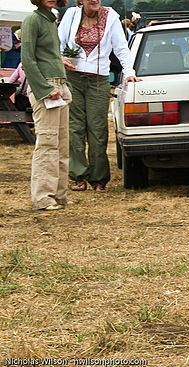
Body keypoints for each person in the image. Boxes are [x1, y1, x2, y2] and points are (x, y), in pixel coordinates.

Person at [58, 0, 140, 193]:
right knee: (75, 127)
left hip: (98, 80)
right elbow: (57, 43)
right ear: (81, 1)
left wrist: (129, 72)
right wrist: (60, 58)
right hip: (73, 77)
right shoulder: (70, 15)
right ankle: (78, 175)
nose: (94, 0)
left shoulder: (111, 16)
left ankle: (99, 178)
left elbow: (121, 49)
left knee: (97, 128)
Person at [22, 0, 72, 210]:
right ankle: (43, 197)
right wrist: (44, 89)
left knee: (61, 145)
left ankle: (59, 195)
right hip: (47, 88)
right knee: (48, 144)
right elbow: (27, 59)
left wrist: (58, 60)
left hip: (59, 86)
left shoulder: (51, 19)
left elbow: (42, 55)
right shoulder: (33, 19)